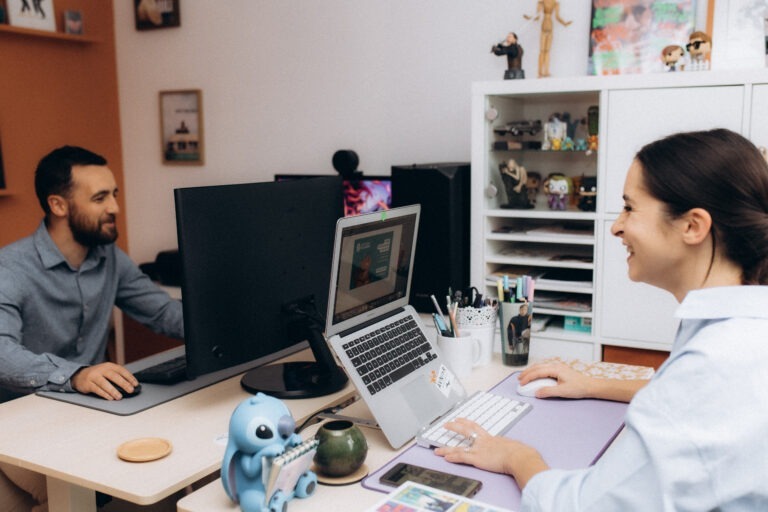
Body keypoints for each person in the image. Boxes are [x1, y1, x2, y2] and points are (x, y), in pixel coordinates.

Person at [435, 128, 768, 510]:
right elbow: (690, 401)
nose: (616, 226)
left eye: (629, 207)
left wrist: (515, 457)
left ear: (692, 226)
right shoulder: (740, 329)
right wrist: (593, 384)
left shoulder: (716, 363)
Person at [0, 146, 184, 511]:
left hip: (93, 413)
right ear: (58, 205)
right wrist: (77, 375)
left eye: (113, 194)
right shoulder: (11, 268)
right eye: (100, 197)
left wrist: (231, 321)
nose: (115, 207)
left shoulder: (109, 257)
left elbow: (164, 313)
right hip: (21, 423)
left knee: (171, 476)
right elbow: (2, 355)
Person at [523, 0, 572, 78]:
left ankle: (546, 71)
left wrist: (565, 23)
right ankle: (540, 72)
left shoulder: (556, 3)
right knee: (542, 51)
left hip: (550, 27)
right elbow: (537, 17)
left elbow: (557, 17)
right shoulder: (541, 3)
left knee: (547, 51)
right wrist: (529, 18)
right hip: (544, 27)